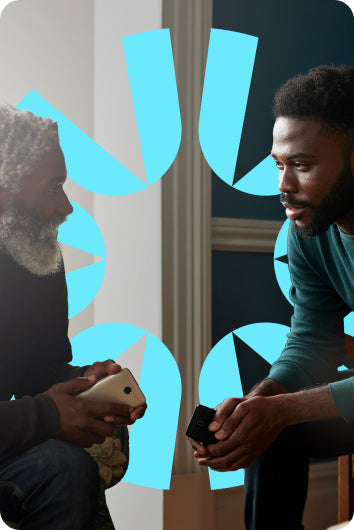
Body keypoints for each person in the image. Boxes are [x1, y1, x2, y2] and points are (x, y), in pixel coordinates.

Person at [189, 65, 354, 529]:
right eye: (279, 164)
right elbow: (312, 340)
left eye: (301, 165)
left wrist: (282, 409)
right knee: (272, 431)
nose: (283, 185)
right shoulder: (306, 229)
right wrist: (260, 403)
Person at [0, 105, 146, 529]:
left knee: (66, 470)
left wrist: (87, 382)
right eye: (52, 188)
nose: (66, 207)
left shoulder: (39, 256)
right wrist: (46, 415)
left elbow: (36, 370)